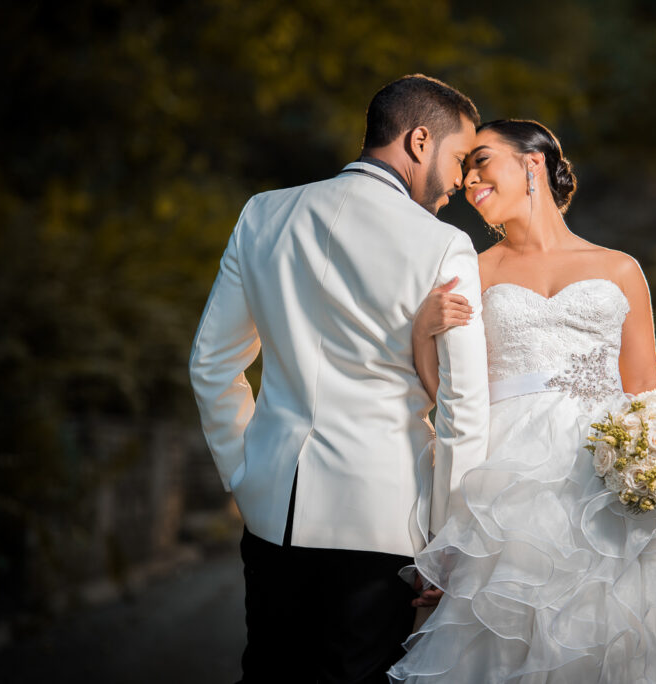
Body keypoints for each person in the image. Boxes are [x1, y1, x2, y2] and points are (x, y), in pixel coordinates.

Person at [388, 120, 656, 682]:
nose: (469, 180)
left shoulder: (619, 268)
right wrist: (421, 335)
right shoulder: (472, 270)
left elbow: (647, 387)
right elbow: (453, 400)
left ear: (532, 163)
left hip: (604, 482)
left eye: (482, 161)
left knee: (615, 636)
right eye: (464, 171)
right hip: (505, 485)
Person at [188, 74, 491, 683]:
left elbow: (213, 364)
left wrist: (244, 473)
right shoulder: (443, 246)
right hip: (381, 519)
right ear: (419, 141)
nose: (460, 184)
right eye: (458, 160)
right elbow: (463, 406)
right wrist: (449, 541)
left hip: (272, 509)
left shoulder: (263, 214)